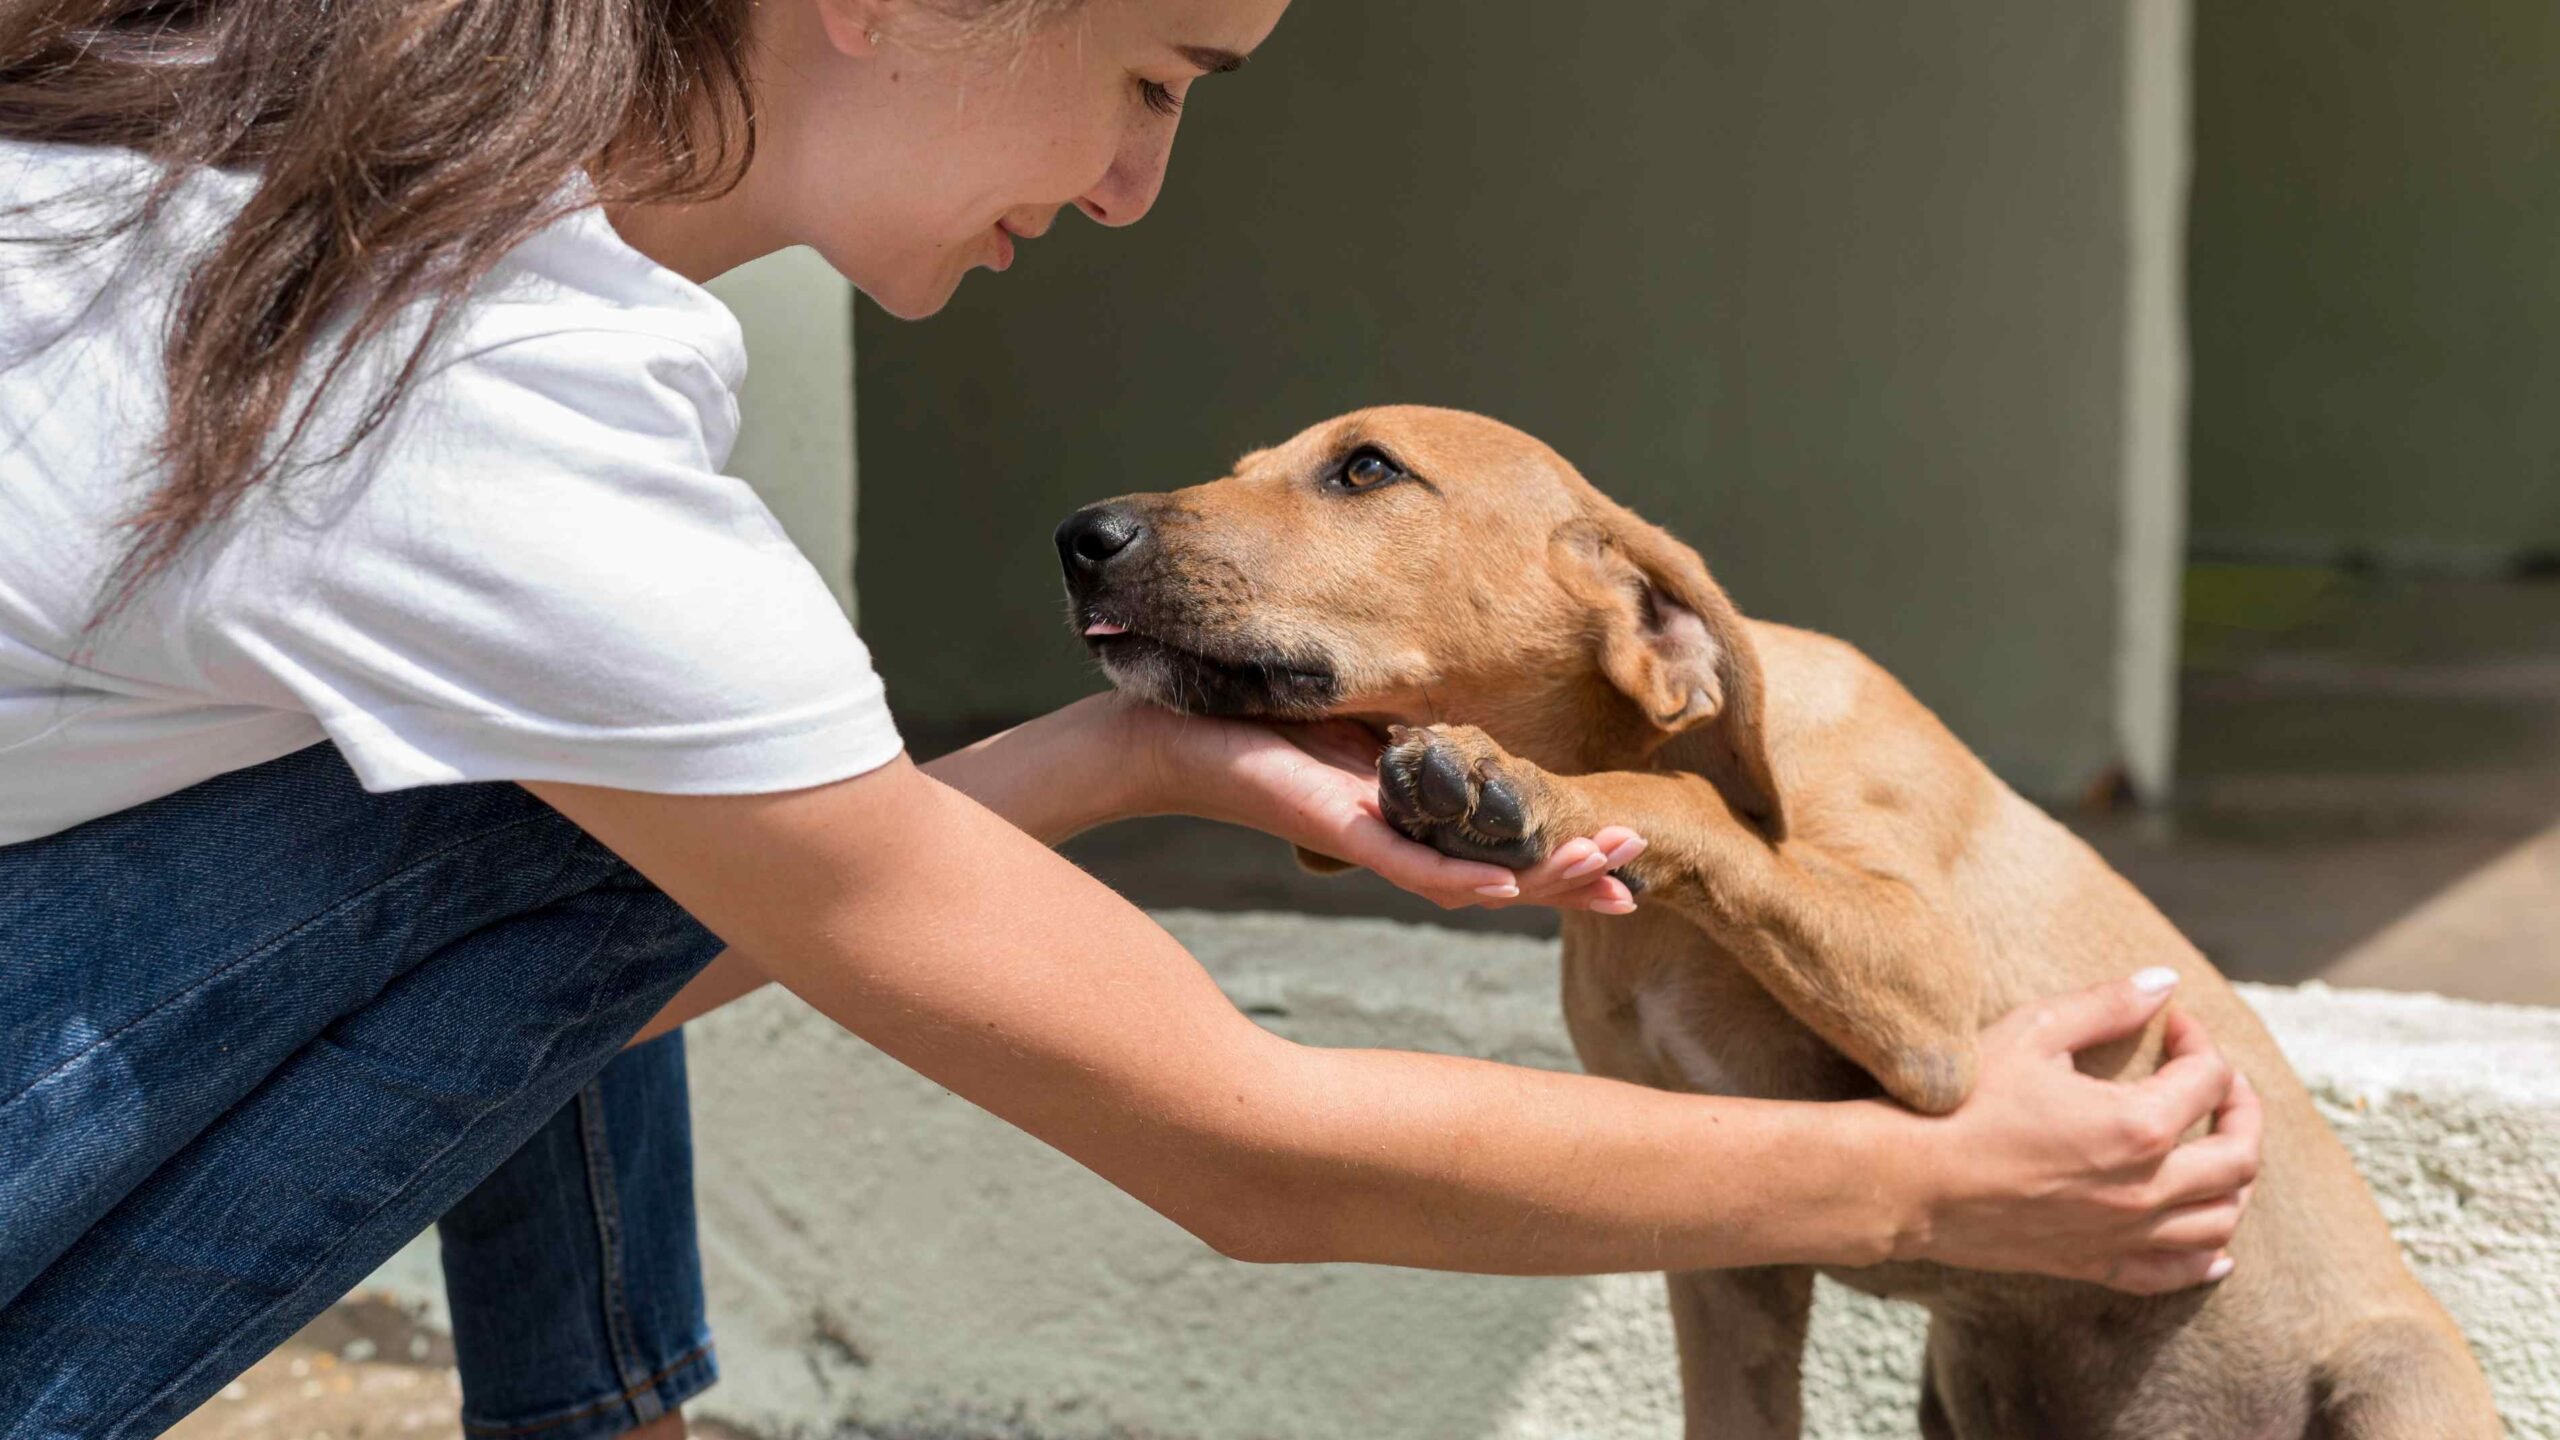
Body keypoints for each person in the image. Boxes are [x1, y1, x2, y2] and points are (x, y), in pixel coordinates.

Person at [0, 1, 2262, 1436]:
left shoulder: (270, 140)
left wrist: (1138, 747)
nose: (1128, 184)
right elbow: (1239, 1146)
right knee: (608, 793)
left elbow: (620, 949)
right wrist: (1936, 1181)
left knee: (641, 798)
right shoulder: (477, 400)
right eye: (1154, 77)